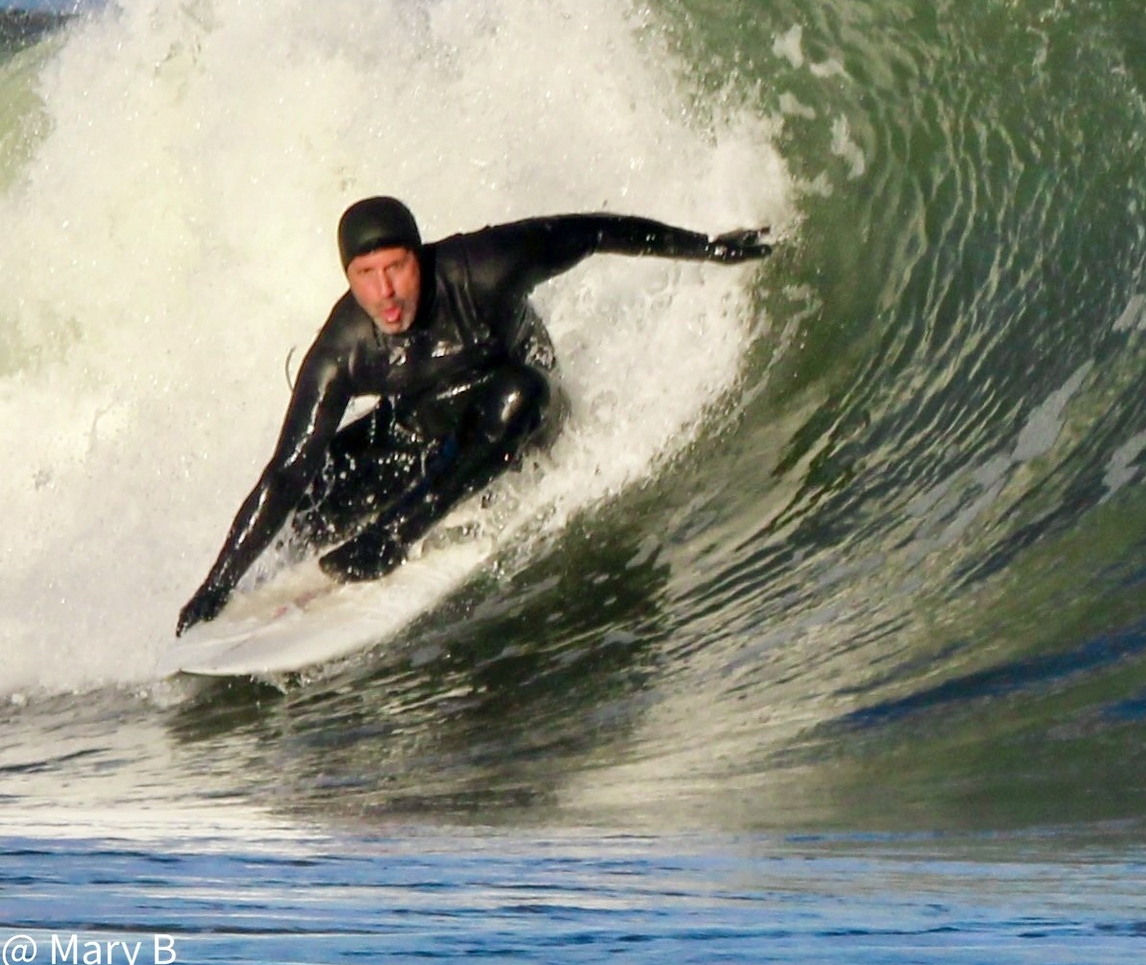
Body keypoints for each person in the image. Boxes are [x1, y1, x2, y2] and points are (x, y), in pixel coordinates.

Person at [176, 197, 772, 636]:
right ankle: (265, 595)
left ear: (419, 255)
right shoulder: (343, 349)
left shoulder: (482, 268)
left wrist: (710, 248)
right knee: (314, 484)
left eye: (397, 268)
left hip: (520, 417)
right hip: (426, 435)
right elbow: (287, 471)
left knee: (519, 390)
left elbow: (591, 230)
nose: (385, 292)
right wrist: (218, 583)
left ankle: (394, 536)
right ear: (348, 278)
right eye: (366, 275)